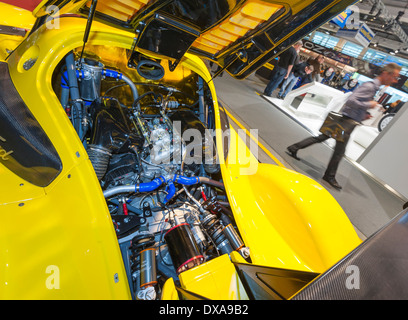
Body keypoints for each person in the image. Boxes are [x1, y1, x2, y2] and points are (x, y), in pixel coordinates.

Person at [286, 63, 402, 190]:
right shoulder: (370, 86)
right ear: (386, 73)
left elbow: (356, 103)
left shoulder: (373, 86)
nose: (395, 80)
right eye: (394, 76)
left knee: (322, 138)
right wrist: (369, 104)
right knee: (339, 151)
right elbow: (352, 100)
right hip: (346, 122)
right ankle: (329, 176)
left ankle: (294, 147)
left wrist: (363, 114)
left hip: (347, 120)